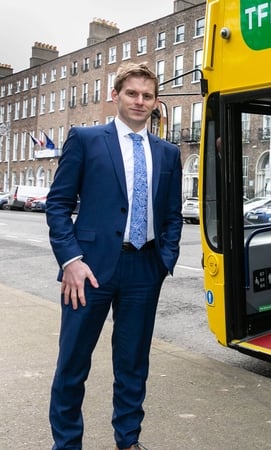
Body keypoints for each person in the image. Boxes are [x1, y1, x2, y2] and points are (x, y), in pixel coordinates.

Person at [46, 62, 183, 450]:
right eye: (132, 94)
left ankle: (128, 440)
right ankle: (67, 444)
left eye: (147, 96)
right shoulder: (86, 140)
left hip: (144, 267)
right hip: (88, 270)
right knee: (73, 364)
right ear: (115, 95)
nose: (140, 102)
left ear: (156, 102)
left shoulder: (168, 153)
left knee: (133, 364)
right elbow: (57, 205)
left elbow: (173, 213)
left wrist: (164, 261)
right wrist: (71, 260)